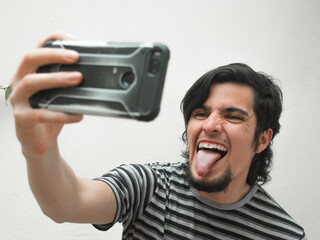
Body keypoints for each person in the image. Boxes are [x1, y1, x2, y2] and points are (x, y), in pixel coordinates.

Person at [10, 33, 306, 239]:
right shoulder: (150, 186)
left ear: (262, 140)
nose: (211, 124)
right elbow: (66, 203)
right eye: (200, 114)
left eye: (232, 116)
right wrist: (38, 150)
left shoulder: (285, 233)